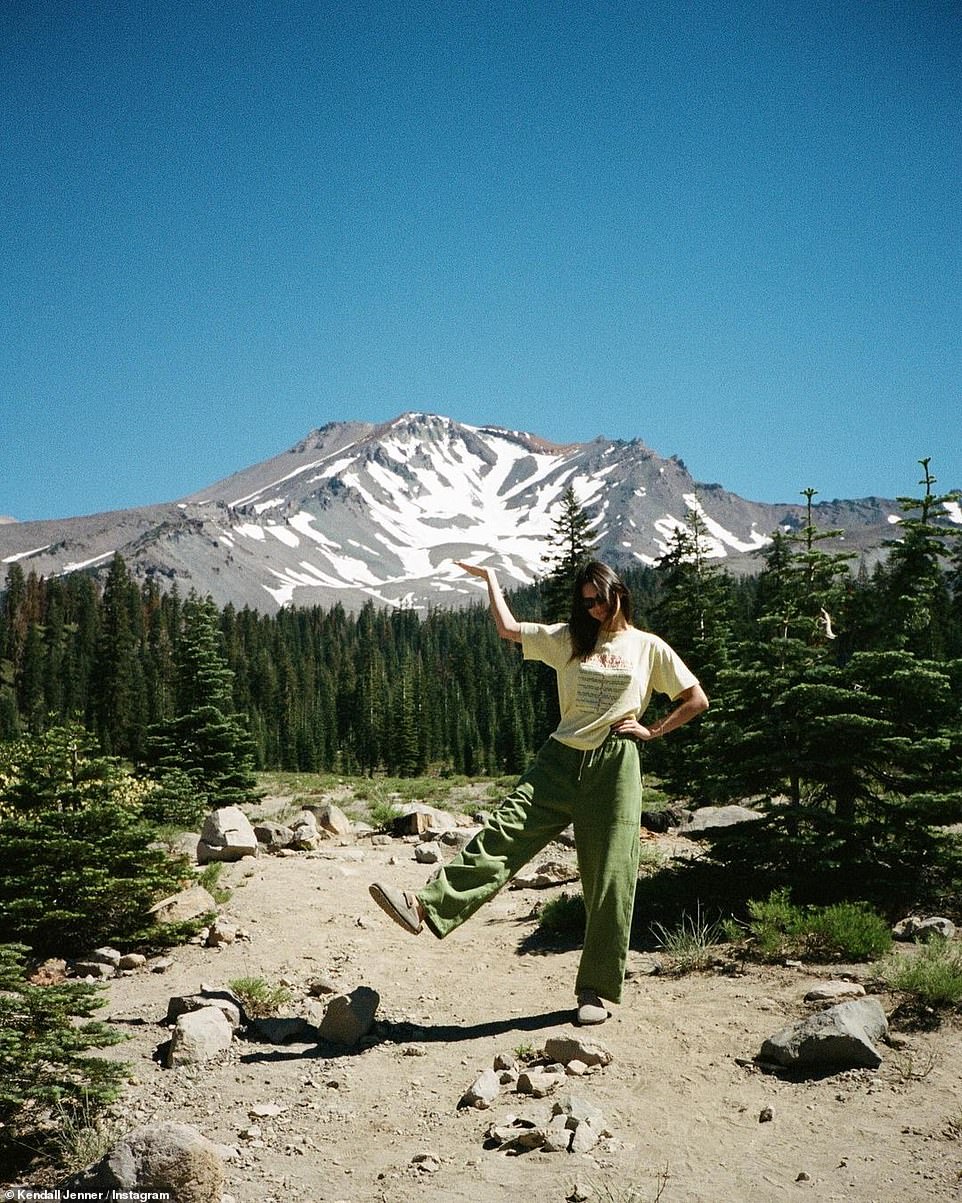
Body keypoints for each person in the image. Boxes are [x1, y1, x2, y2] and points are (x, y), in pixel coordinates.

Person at [370, 559, 709, 1026]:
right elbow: (509, 629)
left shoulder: (648, 647)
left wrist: (652, 730)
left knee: (611, 877)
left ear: (618, 593)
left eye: (599, 599)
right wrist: (490, 580)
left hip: (615, 766)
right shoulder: (568, 639)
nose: (592, 608)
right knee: (503, 831)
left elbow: (696, 699)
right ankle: (424, 907)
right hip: (559, 760)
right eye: (584, 601)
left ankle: (595, 991)